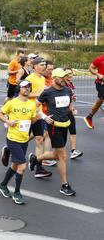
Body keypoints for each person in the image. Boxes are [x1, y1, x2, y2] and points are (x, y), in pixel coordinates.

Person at [29, 68, 76, 196]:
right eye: (61, 77)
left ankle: (36, 159)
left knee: (55, 154)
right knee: (62, 156)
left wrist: (73, 109)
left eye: (64, 76)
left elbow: (70, 104)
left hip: (65, 125)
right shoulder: (47, 92)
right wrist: (44, 117)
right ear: (55, 78)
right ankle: (64, 185)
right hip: (54, 126)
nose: (63, 79)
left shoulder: (67, 90)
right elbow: (34, 106)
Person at [0, 80, 37, 205]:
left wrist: (38, 118)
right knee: (22, 166)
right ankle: (17, 193)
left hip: (24, 139)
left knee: (15, 165)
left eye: (29, 87)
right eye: (24, 87)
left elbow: (32, 120)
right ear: (19, 89)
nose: (27, 89)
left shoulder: (32, 104)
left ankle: (3, 185)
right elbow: (0, 114)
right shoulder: (12, 103)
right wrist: (8, 122)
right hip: (13, 138)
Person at [25, 57, 52, 178]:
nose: (44, 67)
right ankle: (10, 150)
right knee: (22, 137)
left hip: (38, 113)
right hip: (27, 113)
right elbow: (25, 93)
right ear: (34, 66)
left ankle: (39, 168)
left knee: (39, 139)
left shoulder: (42, 78)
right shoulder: (30, 78)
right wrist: (40, 94)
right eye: (41, 65)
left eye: (45, 65)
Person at [64, 68, 83, 159]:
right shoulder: (63, 85)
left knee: (73, 131)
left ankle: (73, 151)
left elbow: (71, 98)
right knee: (45, 135)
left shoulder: (70, 84)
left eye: (71, 73)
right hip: (62, 112)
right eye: (68, 74)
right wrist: (72, 109)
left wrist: (73, 98)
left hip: (69, 111)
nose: (70, 75)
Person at [84, 55, 104, 129]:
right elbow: (91, 68)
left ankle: (89, 117)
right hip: (101, 84)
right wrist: (98, 74)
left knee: (99, 102)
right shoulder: (100, 59)